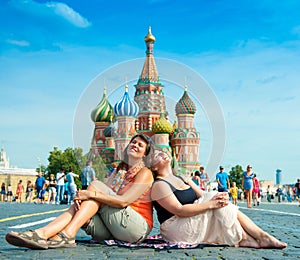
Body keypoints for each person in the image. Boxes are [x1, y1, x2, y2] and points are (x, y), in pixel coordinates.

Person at [5, 134, 154, 250]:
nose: (135, 145)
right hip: (115, 227)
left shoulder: (145, 173)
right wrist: (85, 198)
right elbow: (102, 197)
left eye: (140, 145)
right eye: (133, 142)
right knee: (88, 201)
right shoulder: (118, 171)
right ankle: (42, 234)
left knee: (95, 187)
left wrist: (90, 193)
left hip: (135, 228)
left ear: (145, 155)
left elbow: (123, 201)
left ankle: (67, 235)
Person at [150, 150, 287, 249]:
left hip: (189, 220)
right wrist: (212, 204)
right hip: (175, 228)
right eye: (156, 155)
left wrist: (220, 197)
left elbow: (203, 194)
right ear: (153, 167)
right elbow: (179, 210)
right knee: (213, 200)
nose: (161, 153)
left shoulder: (182, 178)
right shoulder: (159, 185)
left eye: (161, 151)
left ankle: (248, 239)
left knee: (215, 197)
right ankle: (259, 237)